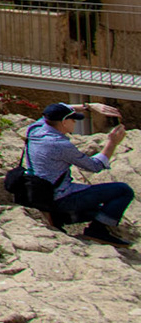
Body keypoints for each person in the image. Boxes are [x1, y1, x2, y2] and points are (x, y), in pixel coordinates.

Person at [24, 102, 131, 246]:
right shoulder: (60, 144)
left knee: (97, 210)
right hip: (61, 199)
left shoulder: (35, 129)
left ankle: (59, 219)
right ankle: (97, 231)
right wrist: (112, 143)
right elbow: (95, 166)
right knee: (123, 191)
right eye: (73, 119)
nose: (75, 122)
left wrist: (89, 106)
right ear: (64, 122)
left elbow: (50, 110)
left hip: (42, 196)